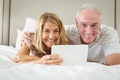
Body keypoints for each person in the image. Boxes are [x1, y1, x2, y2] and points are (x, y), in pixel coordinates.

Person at [20, 4, 120, 65]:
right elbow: (18, 58)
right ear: (77, 24)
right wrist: (40, 60)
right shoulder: (31, 39)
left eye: (56, 31)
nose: (52, 36)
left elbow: (113, 63)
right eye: (46, 31)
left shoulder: (62, 37)